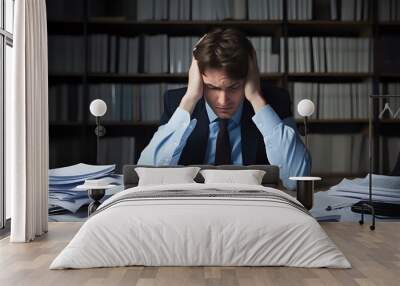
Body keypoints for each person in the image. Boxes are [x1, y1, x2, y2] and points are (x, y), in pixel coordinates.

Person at [138, 28, 311, 190]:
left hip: (253, 209)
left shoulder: (274, 101)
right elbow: (148, 178)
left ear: (249, 77)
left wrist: (256, 98)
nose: (223, 100)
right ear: (197, 77)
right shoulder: (178, 102)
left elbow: (297, 179)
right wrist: (190, 98)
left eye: (234, 87)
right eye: (212, 87)